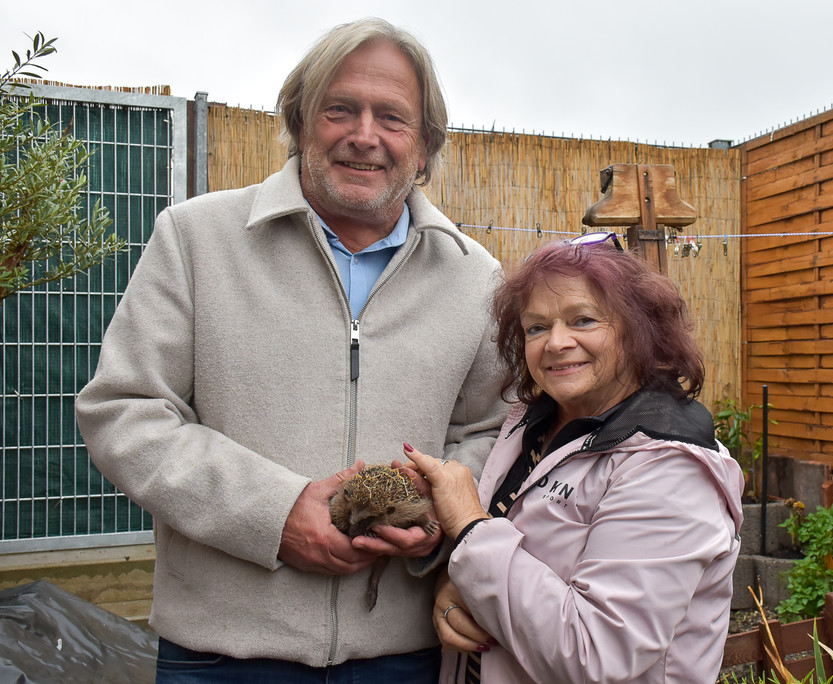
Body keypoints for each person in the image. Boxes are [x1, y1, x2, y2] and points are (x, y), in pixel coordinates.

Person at [74, 17, 507, 683]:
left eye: (392, 117)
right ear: (300, 123)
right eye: (340, 109)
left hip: (405, 657)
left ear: (424, 146)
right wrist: (273, 515)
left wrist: (432, 516)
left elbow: (493, 431)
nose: (364, 134)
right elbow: (125, 411)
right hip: (220, 657)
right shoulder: (196, 240)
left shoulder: (476, 279)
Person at [404, 232, 745, 684]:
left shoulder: (670, 467)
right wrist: (459, 581)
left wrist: (469, 527)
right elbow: (498, 563)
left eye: (582, 320)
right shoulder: (534, 422)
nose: (556, 342)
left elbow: (596, 653)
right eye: (536, 327)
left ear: (640, 330)